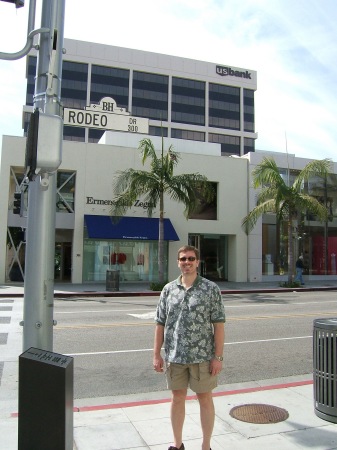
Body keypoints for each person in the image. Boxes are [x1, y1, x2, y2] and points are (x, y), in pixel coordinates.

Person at [153, 245, 226, 450]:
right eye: (183, 259)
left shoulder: (210, 289)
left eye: (191, 259)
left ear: (197, 262)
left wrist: (217, 358)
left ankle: (206, 446)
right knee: (177, 399)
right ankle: (177, 445)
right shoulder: (168, 290)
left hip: (203, 357)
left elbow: (218, 325)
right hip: (175, 357)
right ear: (178, 262)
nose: (187, 262)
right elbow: (160, 323)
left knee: (205, 398)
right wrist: (156, 354)